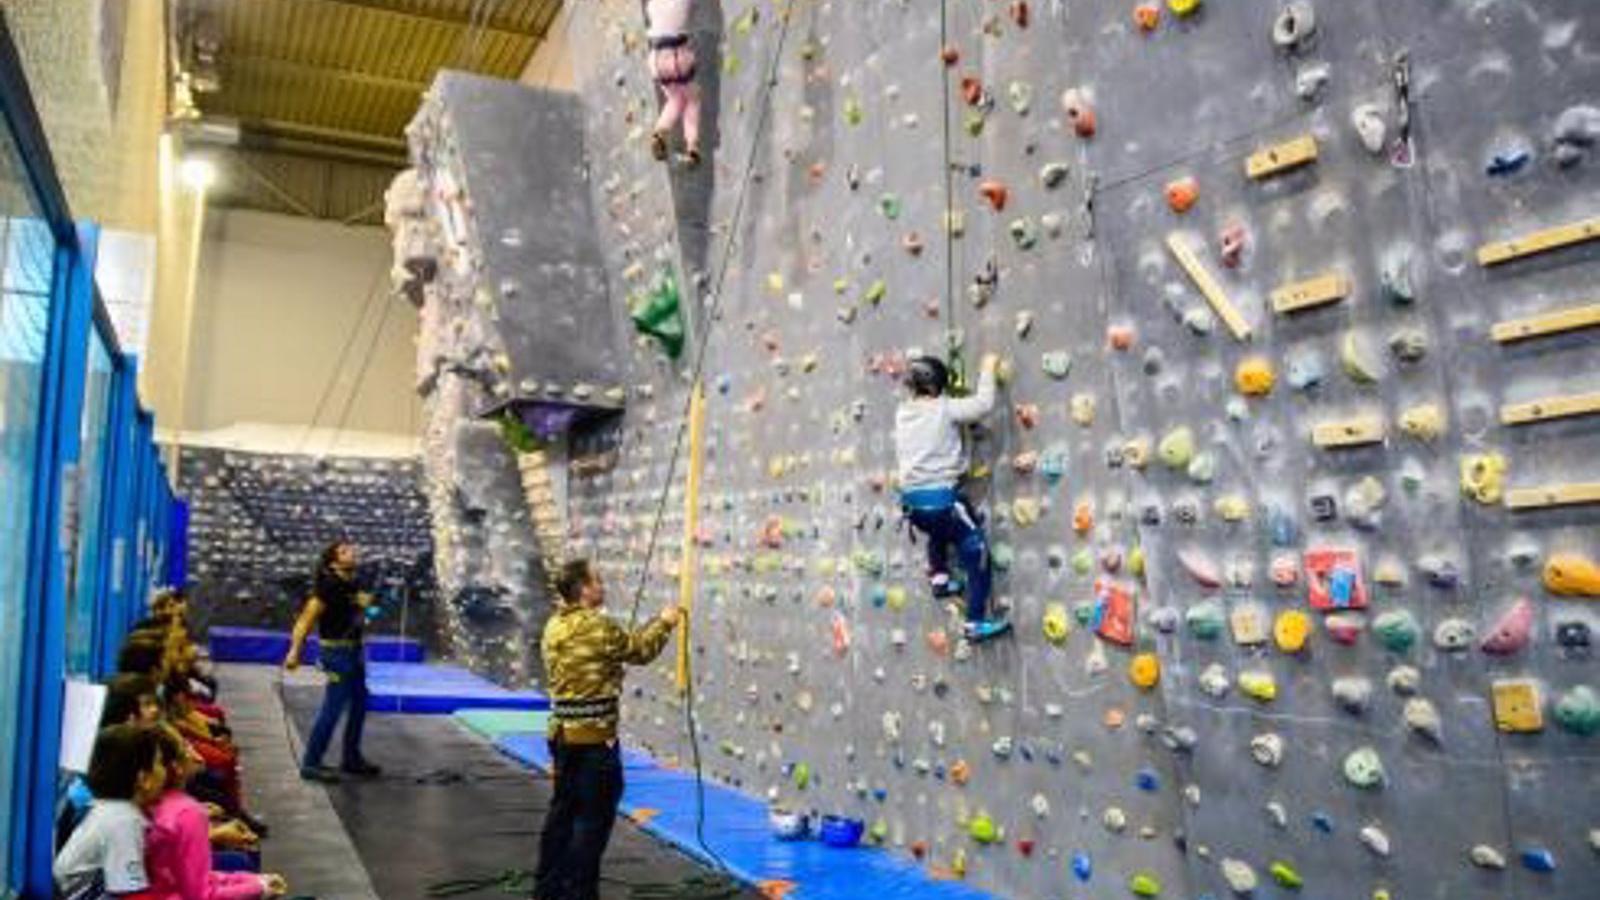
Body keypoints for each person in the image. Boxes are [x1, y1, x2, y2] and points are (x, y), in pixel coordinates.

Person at [534, 559, 682, 900]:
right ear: (584, 588)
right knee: (592, 821)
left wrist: (610, 669)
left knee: (562, 814)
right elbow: (640, 650)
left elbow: (603, 657)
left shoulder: (554, 625)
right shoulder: (597, 627)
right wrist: (665, 622)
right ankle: (579, 894)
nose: (602, 586)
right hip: (592, 742)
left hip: (561, 736)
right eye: (597, 581)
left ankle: (548, 891)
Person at [894, 352, 1011, 642]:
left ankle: (941, 579)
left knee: (940, 531)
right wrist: (986, 368)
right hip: (943, 501)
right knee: (976, 549)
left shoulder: (903, 413)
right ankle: (975, 622)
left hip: (913, 507)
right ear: (935, 388)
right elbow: (983, 405)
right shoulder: (944, 408)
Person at [145, 728, 286, 900]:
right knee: (242, 859)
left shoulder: (155, 803)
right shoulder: (187, 812)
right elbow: (202, 894)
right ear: (175, 766)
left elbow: (184, 877)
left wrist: (250, 881)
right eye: (186, 746)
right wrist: (259, 887)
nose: (193, 750)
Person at [284, 540, 380, 782]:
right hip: (335, 655)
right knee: (333, 706)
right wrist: (294, 651)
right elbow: (306, 619)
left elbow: (365, 611)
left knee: (359, 703)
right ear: (333, 560)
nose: (352, 552)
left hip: (354, 652)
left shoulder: (353, 583)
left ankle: (351, 758)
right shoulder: (328, 585)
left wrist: (371, 606)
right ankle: (311, 763)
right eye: (345, 551)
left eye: (351, 549)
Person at [55, 724, 166, 900]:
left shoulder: (107, 809)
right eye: (159, 763)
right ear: (143, 779)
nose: (165, 770)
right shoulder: (124, 822)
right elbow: (131, 895)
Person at [646, 0, 701, 165]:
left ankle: (660, 131)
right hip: (678, 57)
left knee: (675, 99)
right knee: (692, 99)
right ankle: (692, 146)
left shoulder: (652, 4)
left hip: (657, 60)